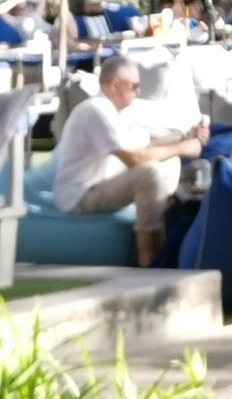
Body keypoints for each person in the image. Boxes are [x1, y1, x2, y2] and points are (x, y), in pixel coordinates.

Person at [52, 55, 208, 266]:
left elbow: (145, 149)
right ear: (116, 85)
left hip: (102, 184)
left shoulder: (119, 112)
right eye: (134, 86)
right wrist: (184, 147)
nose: (138, 92)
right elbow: (135, 159)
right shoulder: (95, 110)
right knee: (149, 174)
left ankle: (164, 234)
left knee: (169, 163)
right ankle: (147, 256)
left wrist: (187, 140)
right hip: (79, 194)